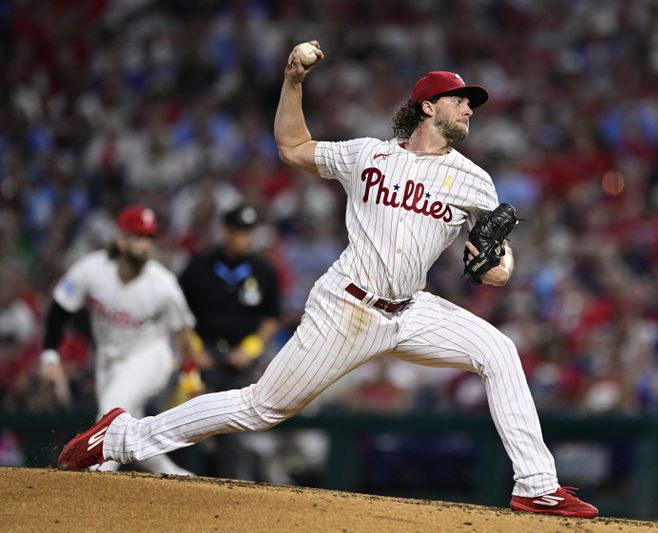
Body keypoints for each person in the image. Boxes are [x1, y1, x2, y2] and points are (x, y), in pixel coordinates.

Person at [56, 42, 598, 517]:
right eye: (461, 99)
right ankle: (123, 437)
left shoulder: (475, 180)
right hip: (348, 306)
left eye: (472, 103)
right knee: (261, 407)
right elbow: (293, 148)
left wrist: (494, 265)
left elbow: (499, 267)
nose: (469, 108)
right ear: (428, 106)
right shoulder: (367, 156)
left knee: (499, 351)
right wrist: (293, 81)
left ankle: (537, 487)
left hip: (410, 310)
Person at [41, 205, 211, 475]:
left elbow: (183, 333)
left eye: (149, 238)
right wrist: (50, 356)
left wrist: (191, 377)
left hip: (151, 357)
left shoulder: (162, 284)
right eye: (138, 237)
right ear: (121, 239)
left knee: (111, 411)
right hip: (108, 361)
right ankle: (180, 478)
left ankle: (97, 477)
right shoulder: (92, 269)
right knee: (134, 436)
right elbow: (61, 307)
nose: (145, 245)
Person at [178, 204, 281, 479]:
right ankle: (181, 482)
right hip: (201, 357)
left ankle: (230, 486)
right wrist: (194, 350)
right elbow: (178, 314)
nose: (245, 238)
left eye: (249, 232)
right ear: (225, 232)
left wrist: (250, 349)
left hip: (240, 361)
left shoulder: (262, 270)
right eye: (239, 232)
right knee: (186, 417)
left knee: (233, 430)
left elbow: (271, 318)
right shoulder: (199, 266)